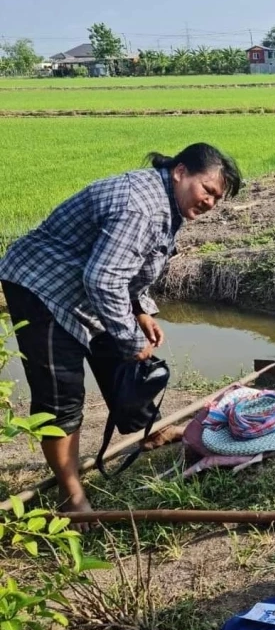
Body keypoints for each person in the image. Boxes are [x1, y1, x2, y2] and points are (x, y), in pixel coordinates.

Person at [0, 143, 241, 517]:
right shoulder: (141, 206)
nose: (210, 202)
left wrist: (140, 310)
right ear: (180, 172)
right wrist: (129, 337)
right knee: (61, 394)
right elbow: (103, 280)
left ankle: (149, 430)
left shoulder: (168, 203)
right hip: (40, 285)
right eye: (207, 190)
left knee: (123, 363)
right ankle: (71, 494)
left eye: (217, 198)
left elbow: (133, 265)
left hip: (83, 285)